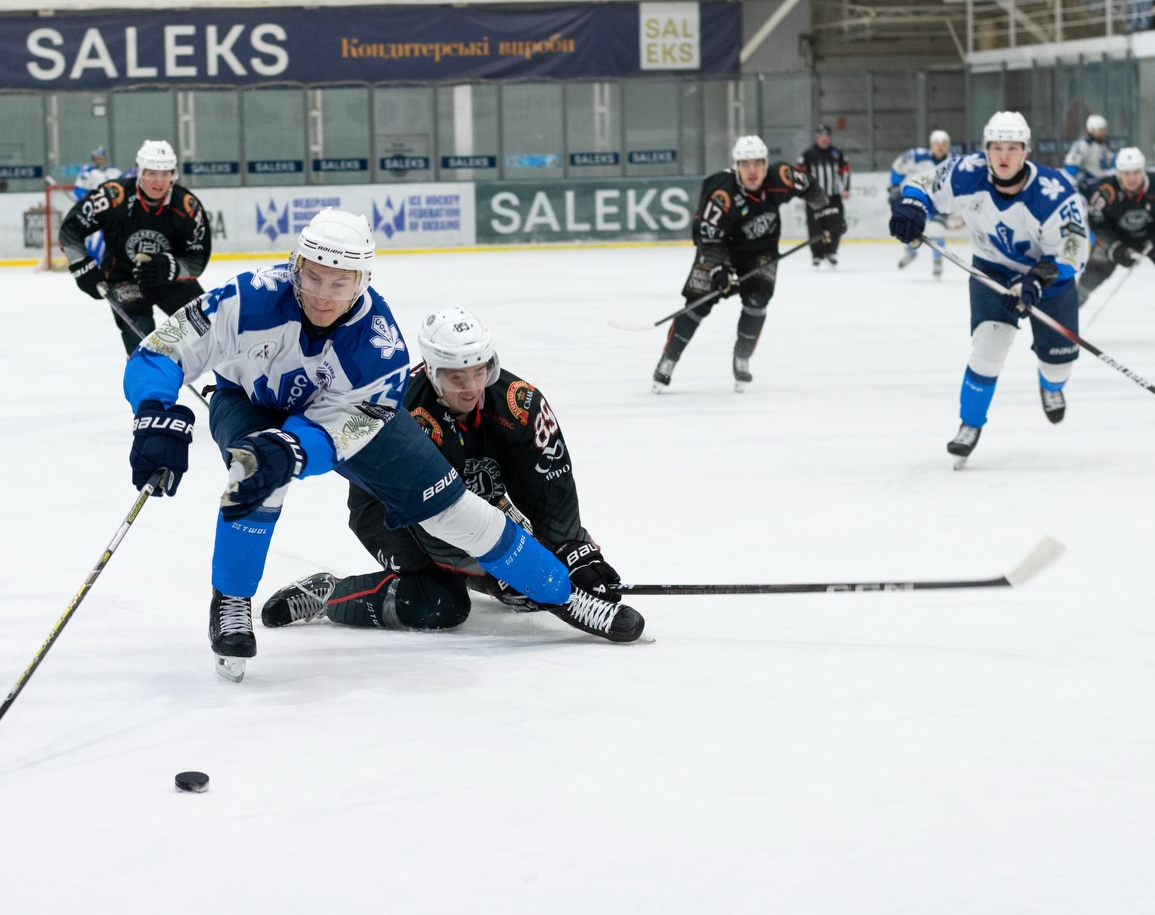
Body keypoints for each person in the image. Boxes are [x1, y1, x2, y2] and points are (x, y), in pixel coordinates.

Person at [120, 209, 645, 683]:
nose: (324, 294)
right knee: (256, 472)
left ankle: (563, 593)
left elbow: (348, 427)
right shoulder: (246, 296)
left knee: (454, 510)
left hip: (349, 421)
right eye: (314, 276)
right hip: (252, 399)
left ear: (362, 281)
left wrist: (296, 448)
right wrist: (153, 413)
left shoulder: (380, 344)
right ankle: (231, 600)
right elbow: (162, 349)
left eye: (340, 282)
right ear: (295, 265)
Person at [260, 306, 631, 638]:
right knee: (439, 603)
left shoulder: (520, 402)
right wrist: (493, 572)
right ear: (433, 371)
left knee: (538, 565)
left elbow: (550, 484)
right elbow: (436, 521)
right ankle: (331, 593)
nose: (472, 388)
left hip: (479, 504)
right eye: (457, 378)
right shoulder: (403, 413)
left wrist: (573, 550)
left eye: (480, 371)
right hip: (390, 511)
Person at [889, 111, 1089, 468]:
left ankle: (1051, 385)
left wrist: (1039, 278)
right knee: (988, 346)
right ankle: (970, 423)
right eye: (997, 147)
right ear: (986, 149)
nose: (1004, 156)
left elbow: (1076, 249)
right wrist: (912, 206)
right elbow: (920, 183)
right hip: (992, 270)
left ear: (1026, 151)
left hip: (1049, 279)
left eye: (1013, 148)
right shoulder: (966, 172)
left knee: (1058, 366)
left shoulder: (1054, 192)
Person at [651, 134, 843, 395]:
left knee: (757, 302)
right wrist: (719, 269)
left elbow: (809, 186)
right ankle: (668, 360)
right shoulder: (721, 192)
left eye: (757, 163)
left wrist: (826, 213)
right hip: (720, 249)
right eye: (745, 164)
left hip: (760, 249)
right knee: (697, 305)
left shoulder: (782, 176)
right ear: (736, 166)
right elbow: (707, 235)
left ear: (766, 164)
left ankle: (742, 358)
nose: (752, 171)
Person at [59, 140, 211, 355]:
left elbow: (197, 259)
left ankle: (230, 386)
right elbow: (71, 230)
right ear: (139, 171)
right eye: (151, 173)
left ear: (173, 174)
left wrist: (171, 268)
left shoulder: (187, 206)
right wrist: (81, 266)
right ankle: (150, 388)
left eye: (165, 173)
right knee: (142, 342)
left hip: (169, 278)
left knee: (208, 328)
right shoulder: (114, 196)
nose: (158, 181)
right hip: (124, 279)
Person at [1077, 145, 1155, 305]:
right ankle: (1072, 305)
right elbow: (1095, 221)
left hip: (1154, 235)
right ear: (1118, 172)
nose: (1131, 178)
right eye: (1126, 173)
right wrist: (1114, 246)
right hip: (1118, 237)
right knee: (1093, 273)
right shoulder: (1107, 190)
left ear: (1143, 170)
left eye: (1136, 172)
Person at [891, 129, 956, 279]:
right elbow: (898, 167)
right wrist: (894, 186)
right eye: (937, 144)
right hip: (920, 199)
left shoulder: (955, 161)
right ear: (931, 145)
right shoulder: (916, 156)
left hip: (941, 202)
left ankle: (937, 260)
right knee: (912, 226)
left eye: (944, 144)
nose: (940, 147)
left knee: (936, 229)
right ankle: (911, 252)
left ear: (948, 145)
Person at [798, 124, 851, 268]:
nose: (824, 139)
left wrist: (845, 189)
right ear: (816, 138)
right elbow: (800, 174)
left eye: (827, 136)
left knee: (837, 224)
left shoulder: (837, 154)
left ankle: (831, 252)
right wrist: (802, 192)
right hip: (814, 197)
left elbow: (845, 170)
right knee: (815, 226)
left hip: (833, 197)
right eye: (821, 136)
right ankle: (817, 254)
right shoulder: (808, 155)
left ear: (830, 138)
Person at [71, 146, 125, 264]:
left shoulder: (114, 172)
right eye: (98, 158)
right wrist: (89, 200)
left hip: (112, 213)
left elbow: (123, 188)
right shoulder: (87, 173)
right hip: (94, 213)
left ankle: (106, 264)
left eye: (102, 158)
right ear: (94, 159)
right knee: (92, 239)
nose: (100, 160)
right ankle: (93, 264)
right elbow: (78, 190)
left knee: (111, 239)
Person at [1063, 114, 1115, 198]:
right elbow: (1070, 164)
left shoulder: (1103, 144)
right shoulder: (1084, 144)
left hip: (1104, 183)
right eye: (1101, 130)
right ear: (1092, 130)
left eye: (1104, 129)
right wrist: (1081, 178)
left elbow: (1112, 161)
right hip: (1091, 185)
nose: (1104, 132)